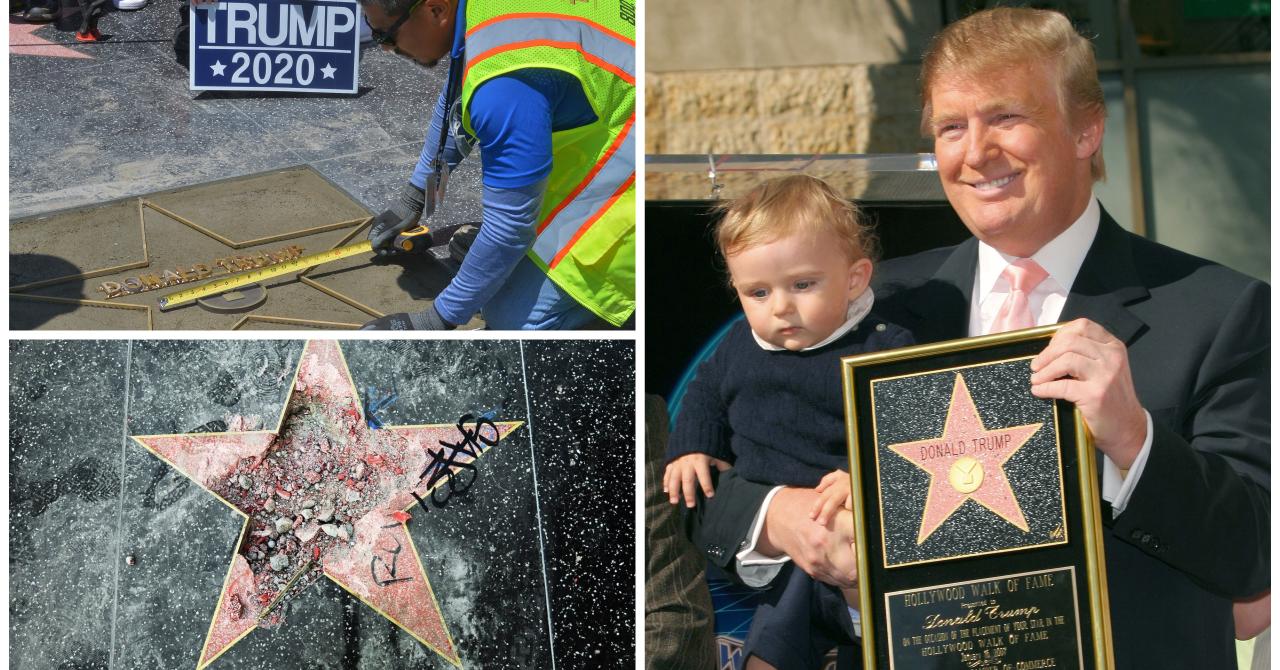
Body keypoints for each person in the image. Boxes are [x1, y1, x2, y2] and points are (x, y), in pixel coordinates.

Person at [686, 8, 1268, 670]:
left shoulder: (1218, 312)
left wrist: (1134, 441)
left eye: (1006, 118)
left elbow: (1255, 559)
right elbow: (705, 493)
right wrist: (782, 517)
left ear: (1086, 129)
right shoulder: (868, 304)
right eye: (952, 128)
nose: (976, 152)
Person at [664, 175, 914, 668]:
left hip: (852, 536)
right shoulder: (739, 345)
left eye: (803, 284)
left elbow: (911, 433)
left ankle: (877, 640)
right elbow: (705, 394)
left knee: (878, 621)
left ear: (855, 277)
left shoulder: (886, 345)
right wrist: (691, 446)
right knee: (769, 651)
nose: (780, 306)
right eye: (757, 292)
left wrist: (867, 474)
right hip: (783, 560)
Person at [358, 0, 635, 330]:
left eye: (385, 35)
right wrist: (415, 195)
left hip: (633, 181)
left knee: (509, 320)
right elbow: (457, 99)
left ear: (435, 10)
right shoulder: (481, 13)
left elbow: (510, 229)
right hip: (616, 107)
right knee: (495, 262)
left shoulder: (506, 87)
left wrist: (434, 321)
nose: (387, 49)